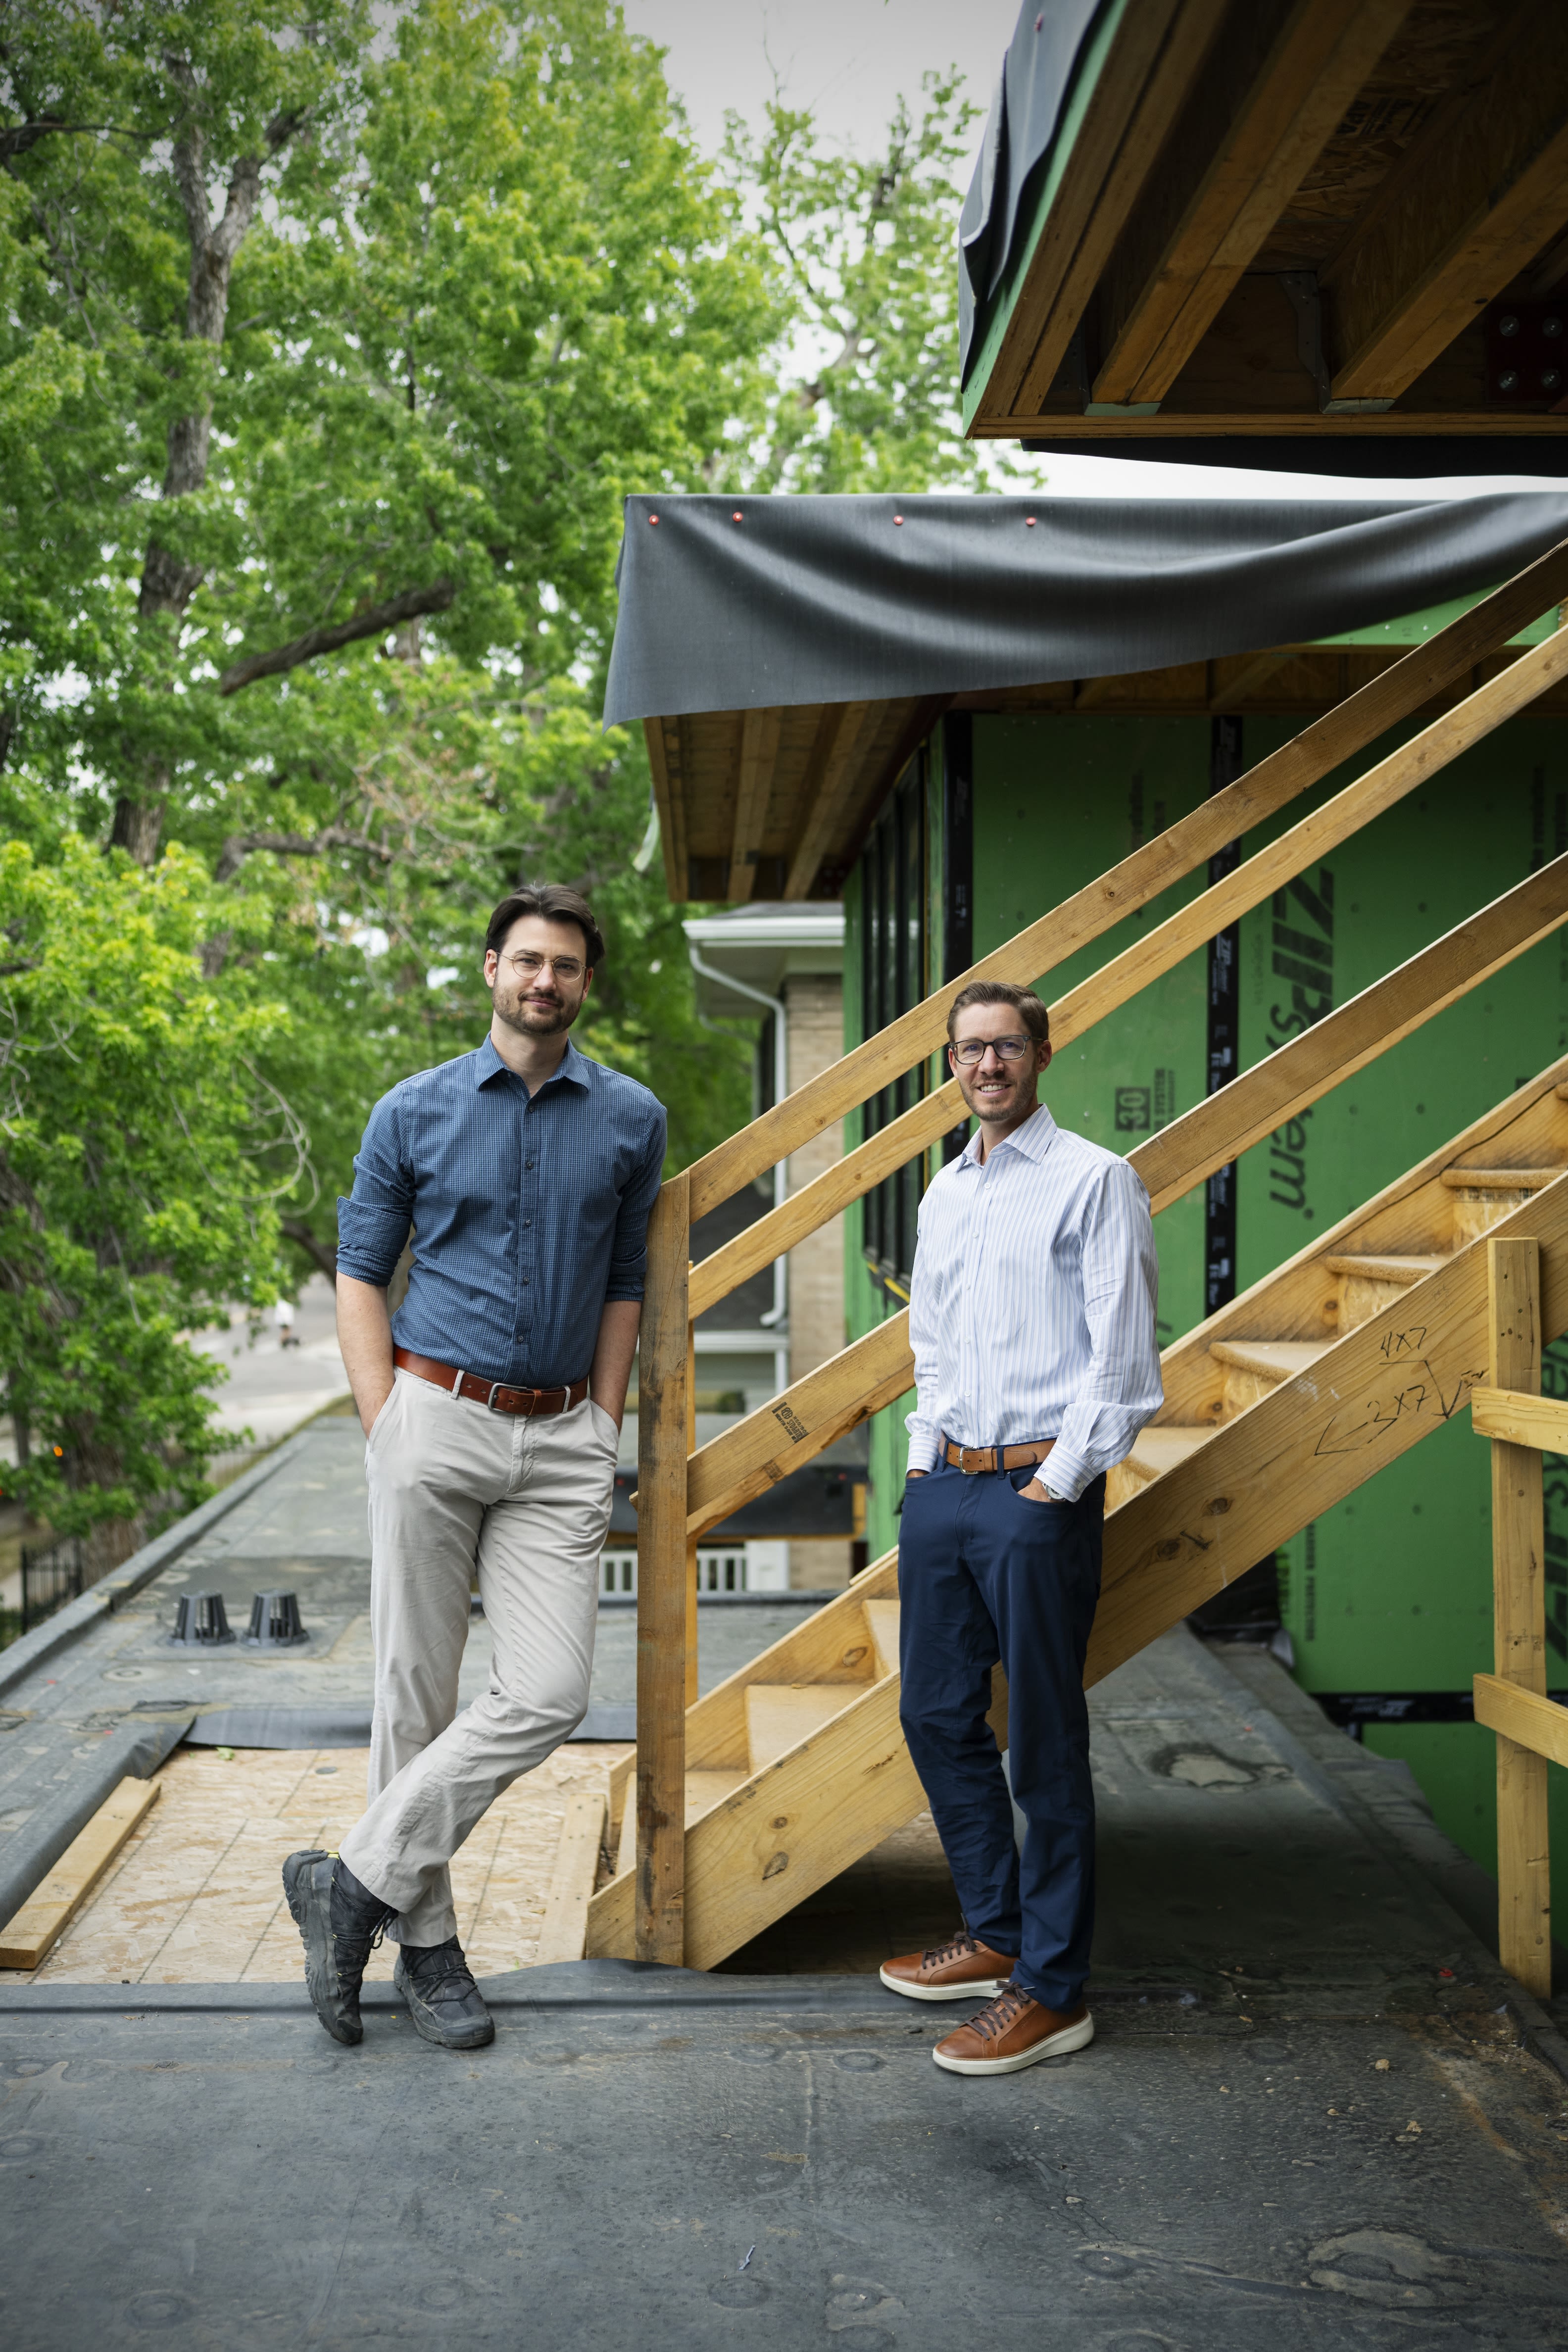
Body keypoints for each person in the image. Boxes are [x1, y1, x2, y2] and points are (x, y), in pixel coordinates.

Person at [283, 884, 665, 2051]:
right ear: (491, 968)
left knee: (549, 1691)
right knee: (416, 1689)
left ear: (584, 985)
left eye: (567, 967)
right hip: (434, 1413)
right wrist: (381, 1416)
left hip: (561, 1439)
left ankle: (350, 1887)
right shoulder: (414, 1109)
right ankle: (432, 1950)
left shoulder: (632, 1117)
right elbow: (360, 1269)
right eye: (528, 961)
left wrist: (603, 1425)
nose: (545, 981)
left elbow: (624, 1283)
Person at [880, 980, 1161, 2076]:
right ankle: (997, 1932)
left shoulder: (1097, 1180)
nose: (987, 1065)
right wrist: (920, 1463)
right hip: (947, 1487)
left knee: (1043, 1744)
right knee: (935, 1714)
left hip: (1037, 1495)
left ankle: (1053, 1989)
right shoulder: (944, 1191)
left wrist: (1056, 1485)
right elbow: (933, 1343)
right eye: (968, 1050)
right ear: (949, 1065)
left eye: (1006, 1046)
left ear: (1043, 1052)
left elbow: (1123, 1362)